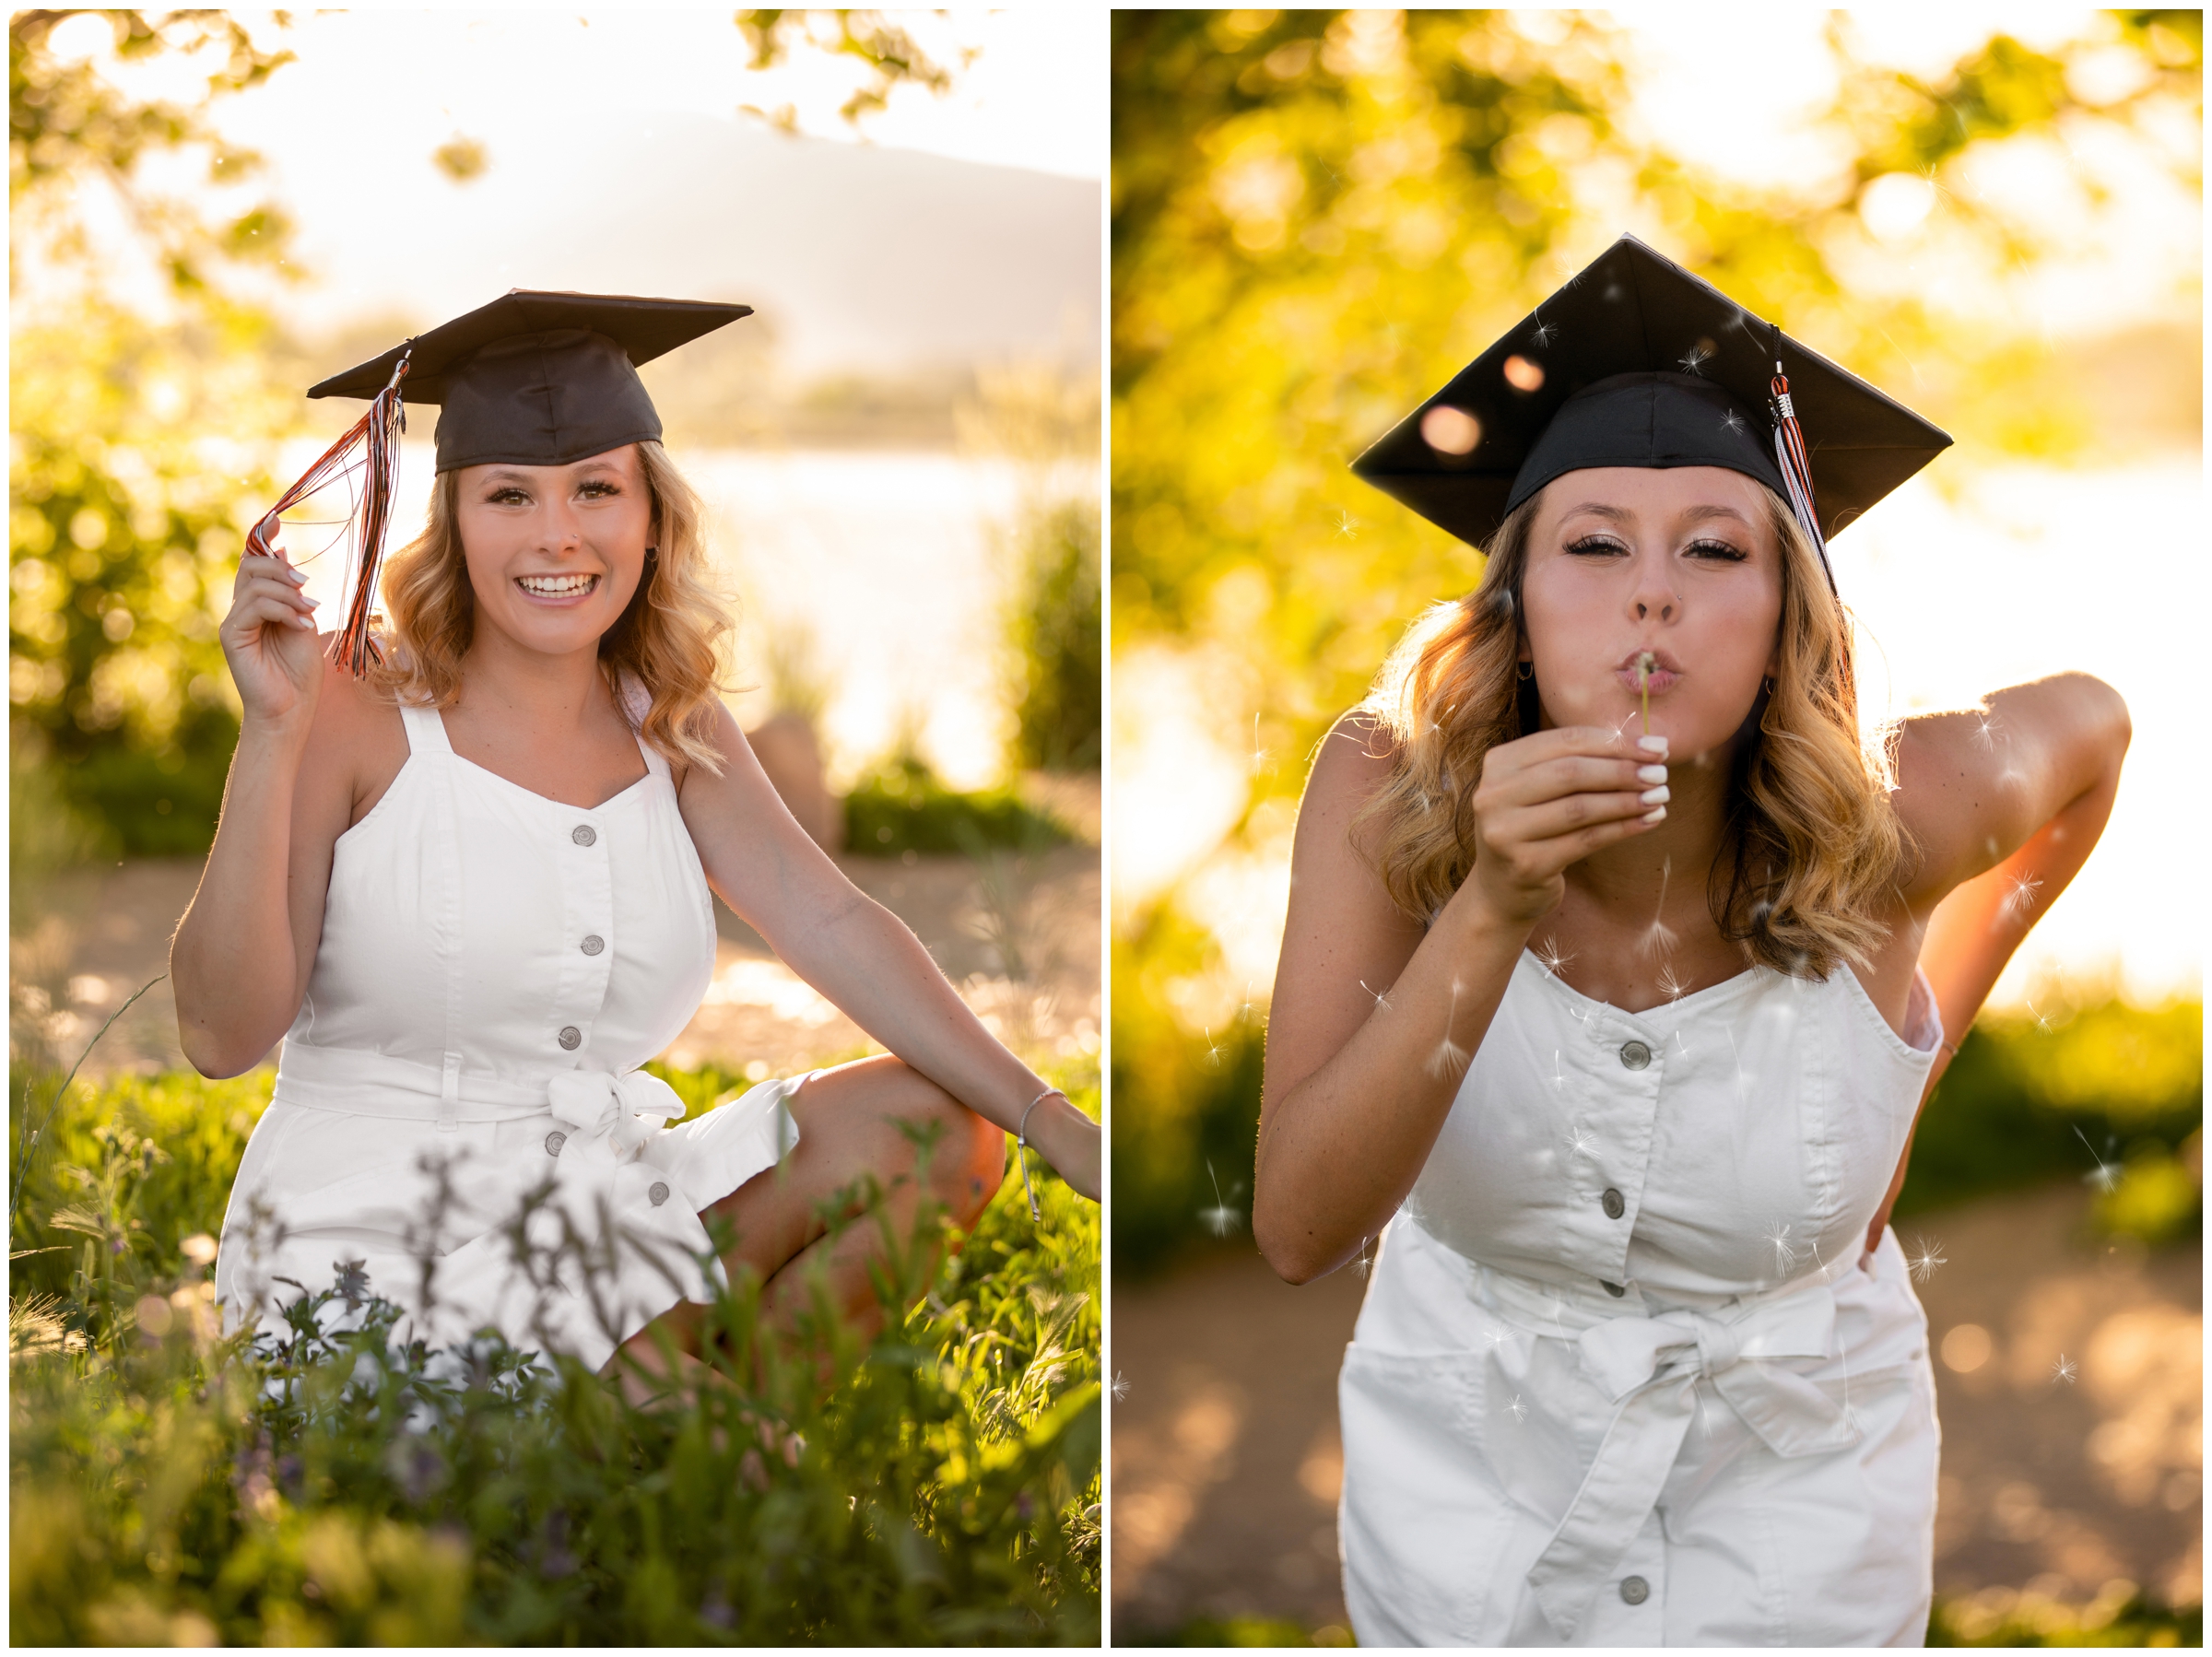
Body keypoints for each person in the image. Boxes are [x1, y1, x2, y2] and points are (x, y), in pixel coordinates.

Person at [1253, 238, 2127, 1645]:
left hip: (1801, 1504)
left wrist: (1916, 1051)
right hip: (1473, 1492)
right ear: (1516, 611)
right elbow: (1298, 1225)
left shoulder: (1903, 819)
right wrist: (1490, 905)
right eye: (1592, 544)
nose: (1650, 593)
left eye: (1714, 549)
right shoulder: (1393, 796)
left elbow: (2095, 730)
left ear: (1790, 611)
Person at [174, 289, 1101, 1394]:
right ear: (453, 519)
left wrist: (1046, 1115)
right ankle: (691, 1437)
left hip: (598, 1209)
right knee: (689, 1446)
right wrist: (270, 737)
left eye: (596, 490)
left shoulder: (670, 717)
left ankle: (717, 1428)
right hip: (372, 1248)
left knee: (931, 1132)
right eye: (510, 494)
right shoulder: (350, 709)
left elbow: (830, 918)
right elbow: (222, 1035)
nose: (558, 533)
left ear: (651, 515)